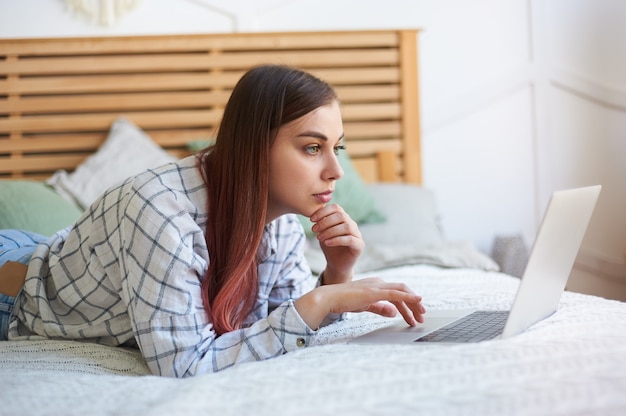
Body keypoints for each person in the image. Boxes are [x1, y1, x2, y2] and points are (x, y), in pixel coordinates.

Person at [0, 64, 425, 377]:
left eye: (339, 148)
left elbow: (282, 319)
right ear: (254, 147)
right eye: (313, 148)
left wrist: (337, 273)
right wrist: (323, 300)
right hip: (15, 286)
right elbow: (184, 364)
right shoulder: (159, 211)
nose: (336, 171)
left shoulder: (280, 219)